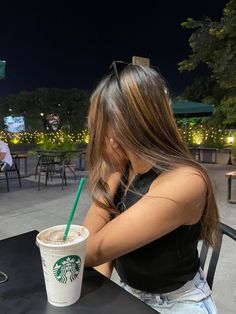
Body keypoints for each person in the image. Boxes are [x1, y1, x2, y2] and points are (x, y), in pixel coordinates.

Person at [83, 62, 219, 313]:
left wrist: (111, 172)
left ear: (127, 124)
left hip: (177, 302)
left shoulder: (185, 181)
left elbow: (88, 249)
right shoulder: (125, 166)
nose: (95, 135)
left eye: (100, 125)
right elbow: (101, 252)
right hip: (129, 292)